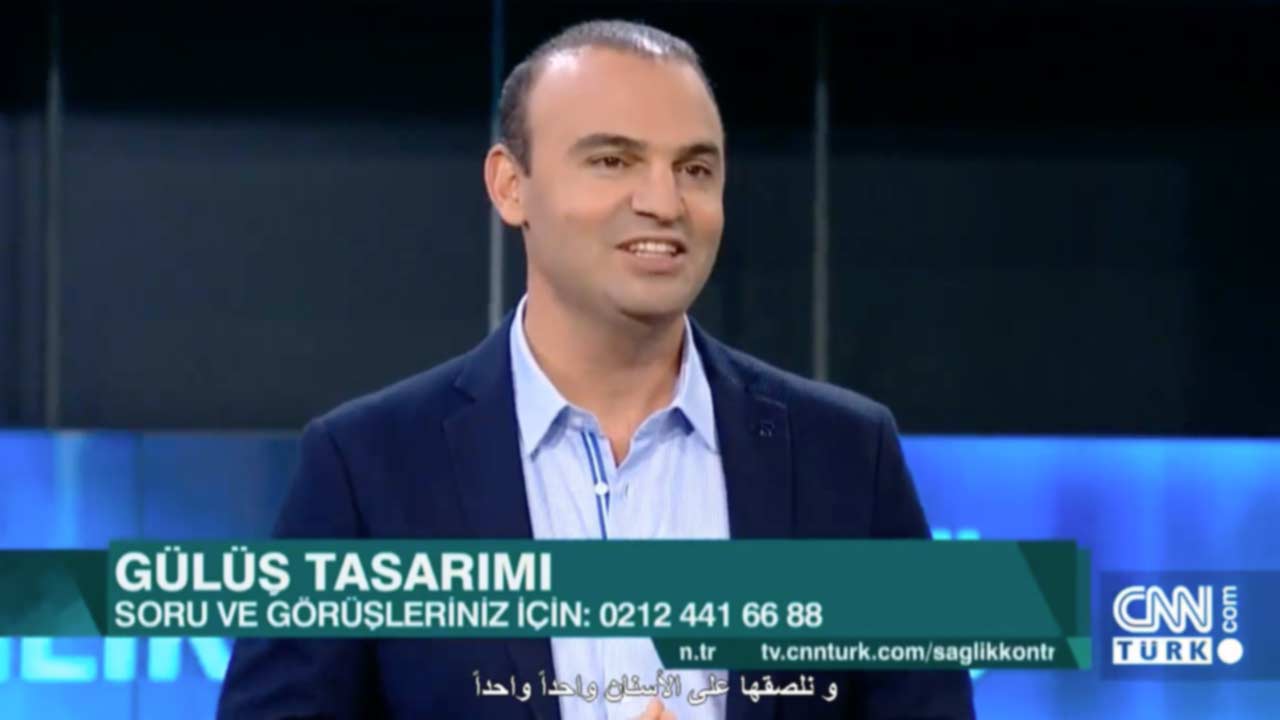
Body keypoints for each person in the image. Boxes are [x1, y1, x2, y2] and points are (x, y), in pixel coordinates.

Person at [217, 19, 975, 720]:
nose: (664, 202)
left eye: (695, 168)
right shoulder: (366, 468)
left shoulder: (848, 457)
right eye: (613, 160)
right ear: (510, 186)